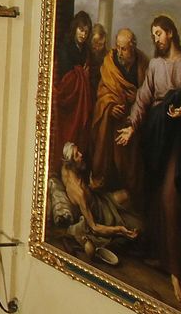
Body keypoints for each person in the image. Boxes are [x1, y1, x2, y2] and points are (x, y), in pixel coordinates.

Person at [114, 15, 181, 304]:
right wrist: (132, 126)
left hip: (180, 142)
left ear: (170, 33)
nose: (155, 39)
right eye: (153, 34)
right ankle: (161, 254)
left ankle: (177, 270)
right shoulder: (155, 66)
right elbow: (144, 98)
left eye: (158, 33)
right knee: (157, 196)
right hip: (156, 137)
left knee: (173, 197)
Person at [86, 28, 148, 194]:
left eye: (124, 49)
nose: (119, 52)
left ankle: (128, 191)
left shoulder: (143, 63)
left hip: (132, 119)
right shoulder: (109, 62)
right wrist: (110, 107)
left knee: (130, 163)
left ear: (132, 47)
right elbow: (102, 92)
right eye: (118, 47)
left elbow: (147, 93)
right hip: (111, 121)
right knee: (108, 156)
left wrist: (136, 98)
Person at [50, 11, 96, 177]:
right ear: (75, 29)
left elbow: (88, 72)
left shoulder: (86, 51)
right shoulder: (65, 48)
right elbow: (66, 79)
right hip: (69, 100)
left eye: (86, 31)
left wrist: (83, 74)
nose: (83, 34)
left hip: (80, 100)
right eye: (81, 30)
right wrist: (81, 73)